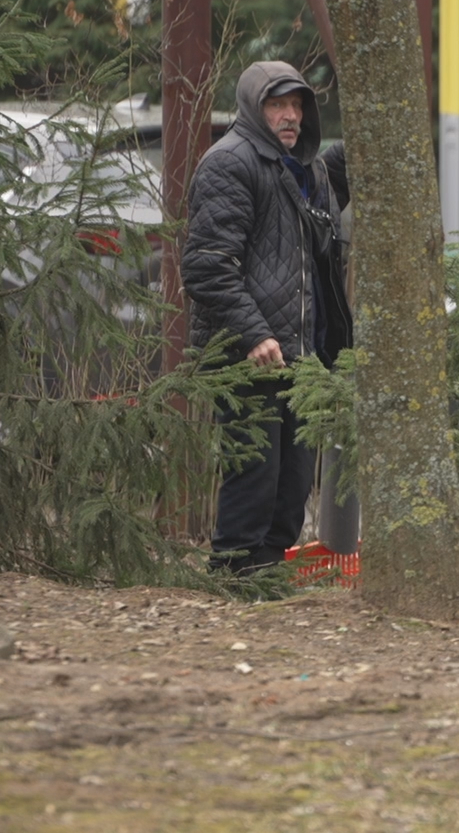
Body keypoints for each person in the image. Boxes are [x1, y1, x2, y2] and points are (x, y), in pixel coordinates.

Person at [183, 60, 353, 574]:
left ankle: (267, 572)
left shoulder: (310, 170)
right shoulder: (229, 164)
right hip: (248, 354)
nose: (290, 116)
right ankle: (234, 575)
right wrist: (254, 333)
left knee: (295, 479)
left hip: (301, 355)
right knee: (254, 473)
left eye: (297, 105)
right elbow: (207, 266)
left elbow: (354, 158)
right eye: (278, 105)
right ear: (255, 109)